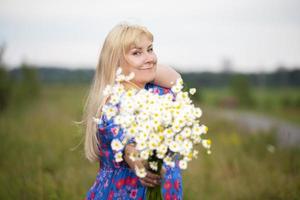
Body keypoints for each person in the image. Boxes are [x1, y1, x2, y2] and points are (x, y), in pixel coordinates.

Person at [82, 22, 183, 200]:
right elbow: (126, 145)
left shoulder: (154, 91)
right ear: (116, 62)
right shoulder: (114, 101)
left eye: (150, 49)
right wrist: (138, 162)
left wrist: (142, 63)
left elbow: (176, 80)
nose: (150, 57)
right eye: (136, 52)